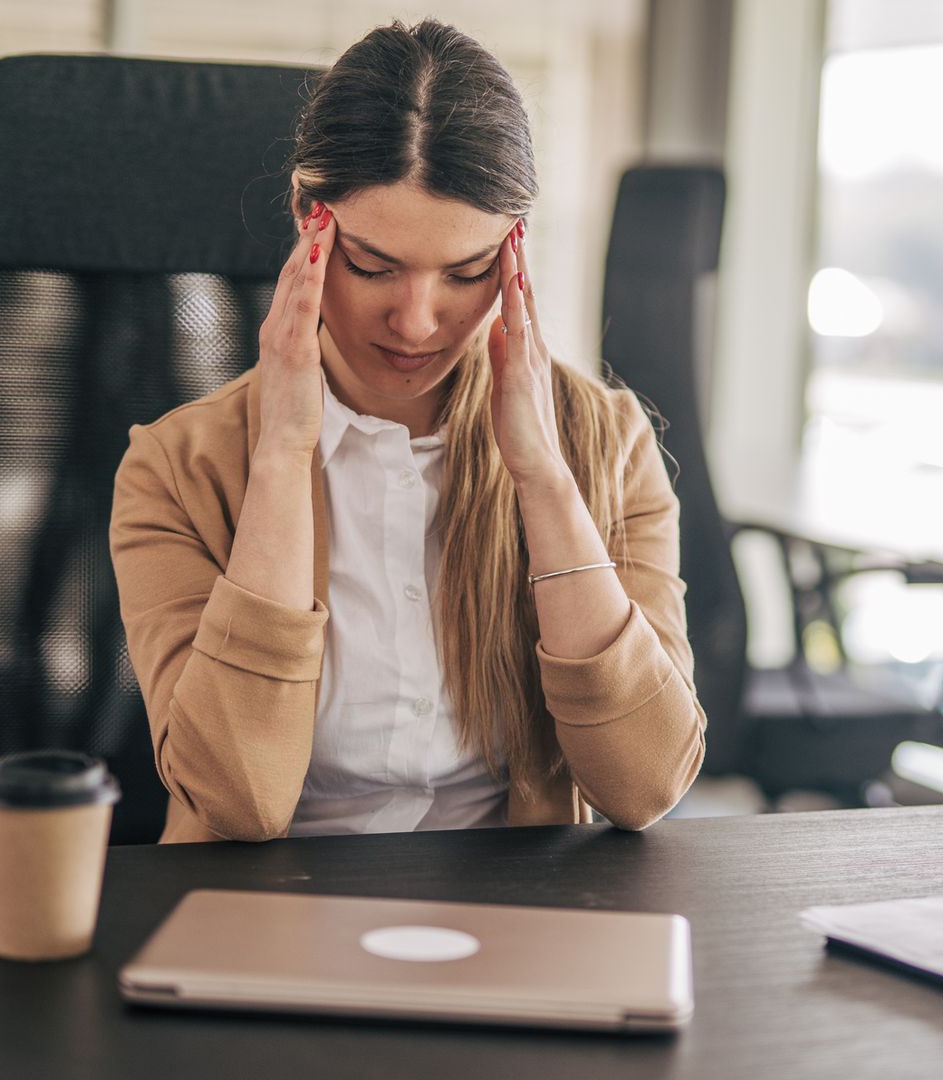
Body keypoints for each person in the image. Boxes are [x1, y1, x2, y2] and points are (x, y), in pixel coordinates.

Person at [109, 19, 706, 843]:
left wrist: (542, 478)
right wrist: (283, 454)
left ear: (512, 253)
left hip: (509, 915)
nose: (418, 322)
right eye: (374, 266)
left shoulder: (608, 444)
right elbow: (234, 799)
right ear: (306, 219)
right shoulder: (177, 468)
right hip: (270, 914)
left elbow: (646, 785)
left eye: (465, 274)